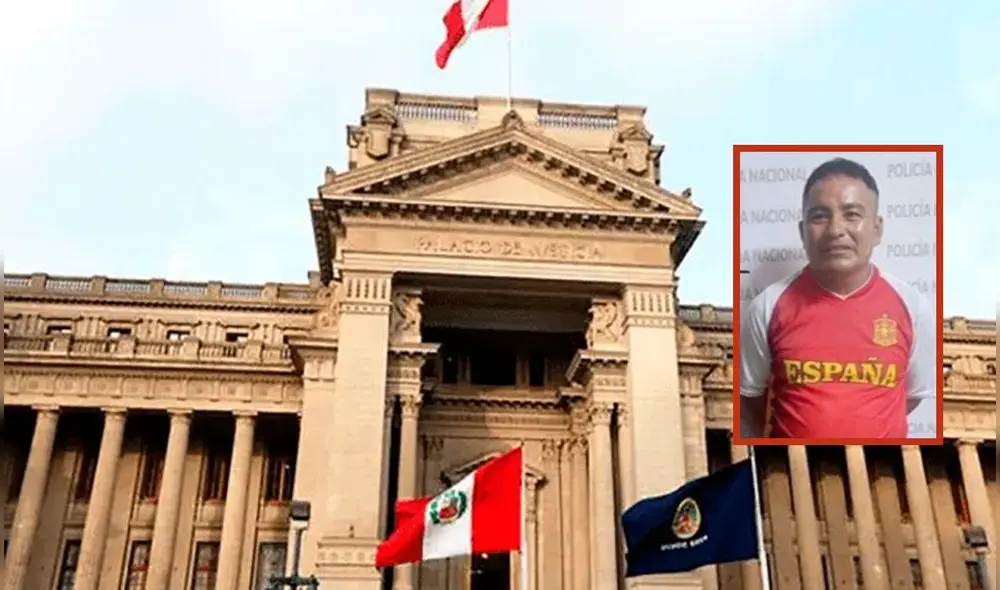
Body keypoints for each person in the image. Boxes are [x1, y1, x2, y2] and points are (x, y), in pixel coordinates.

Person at [739, 157, 935, 439]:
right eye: (819, 216)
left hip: (881, 475)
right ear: (802, 231)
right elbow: (752, 399)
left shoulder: (913, 306)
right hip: (792, 473)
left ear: (877, 229)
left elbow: (911, 395)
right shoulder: (767, 306)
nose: (835, 230)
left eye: (852, 215)